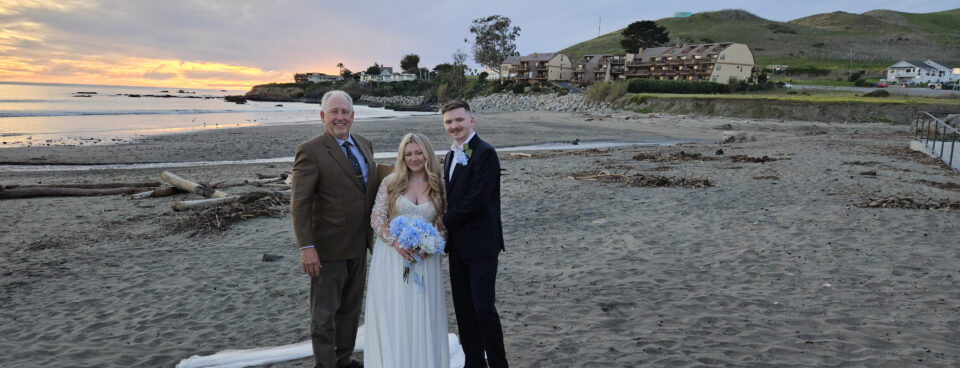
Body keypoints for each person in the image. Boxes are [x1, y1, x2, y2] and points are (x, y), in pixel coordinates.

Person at [291, 90, 378, 368]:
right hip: (327, 250)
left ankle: (343, 359)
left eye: (345, 112)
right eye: (334, 112)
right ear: (322, 116)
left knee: (351, 311)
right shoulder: (310, 150)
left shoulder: (365, 144)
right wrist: (306, 247)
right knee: (324, 315)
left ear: (353, 116)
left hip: (360, 244)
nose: (340, 117)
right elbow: (300, 203)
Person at [364, 133, 450, 368]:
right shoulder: (391, 182)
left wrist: (432, 246)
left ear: (427, 154)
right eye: (408, 154)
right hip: (393, 257)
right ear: (402, 157)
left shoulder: (438, 185)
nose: (414, 158)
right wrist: (395, 242)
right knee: (395, 310)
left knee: (423, 312)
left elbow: (443, 226)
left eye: (419, 152)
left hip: (425, 260)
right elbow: (376, 218)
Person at [440, 100, 508, 368]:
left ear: (471, 121)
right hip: (458, 245)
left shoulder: (485, 153)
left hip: (481, 244)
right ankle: (474, 361)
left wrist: (443, 221)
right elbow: (453, 196)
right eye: (448, 122)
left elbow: (477, 200)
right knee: (464, 310)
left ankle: (499, 363)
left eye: (459, 120)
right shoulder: (452, 154)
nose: (454, 126)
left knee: (483, 309)